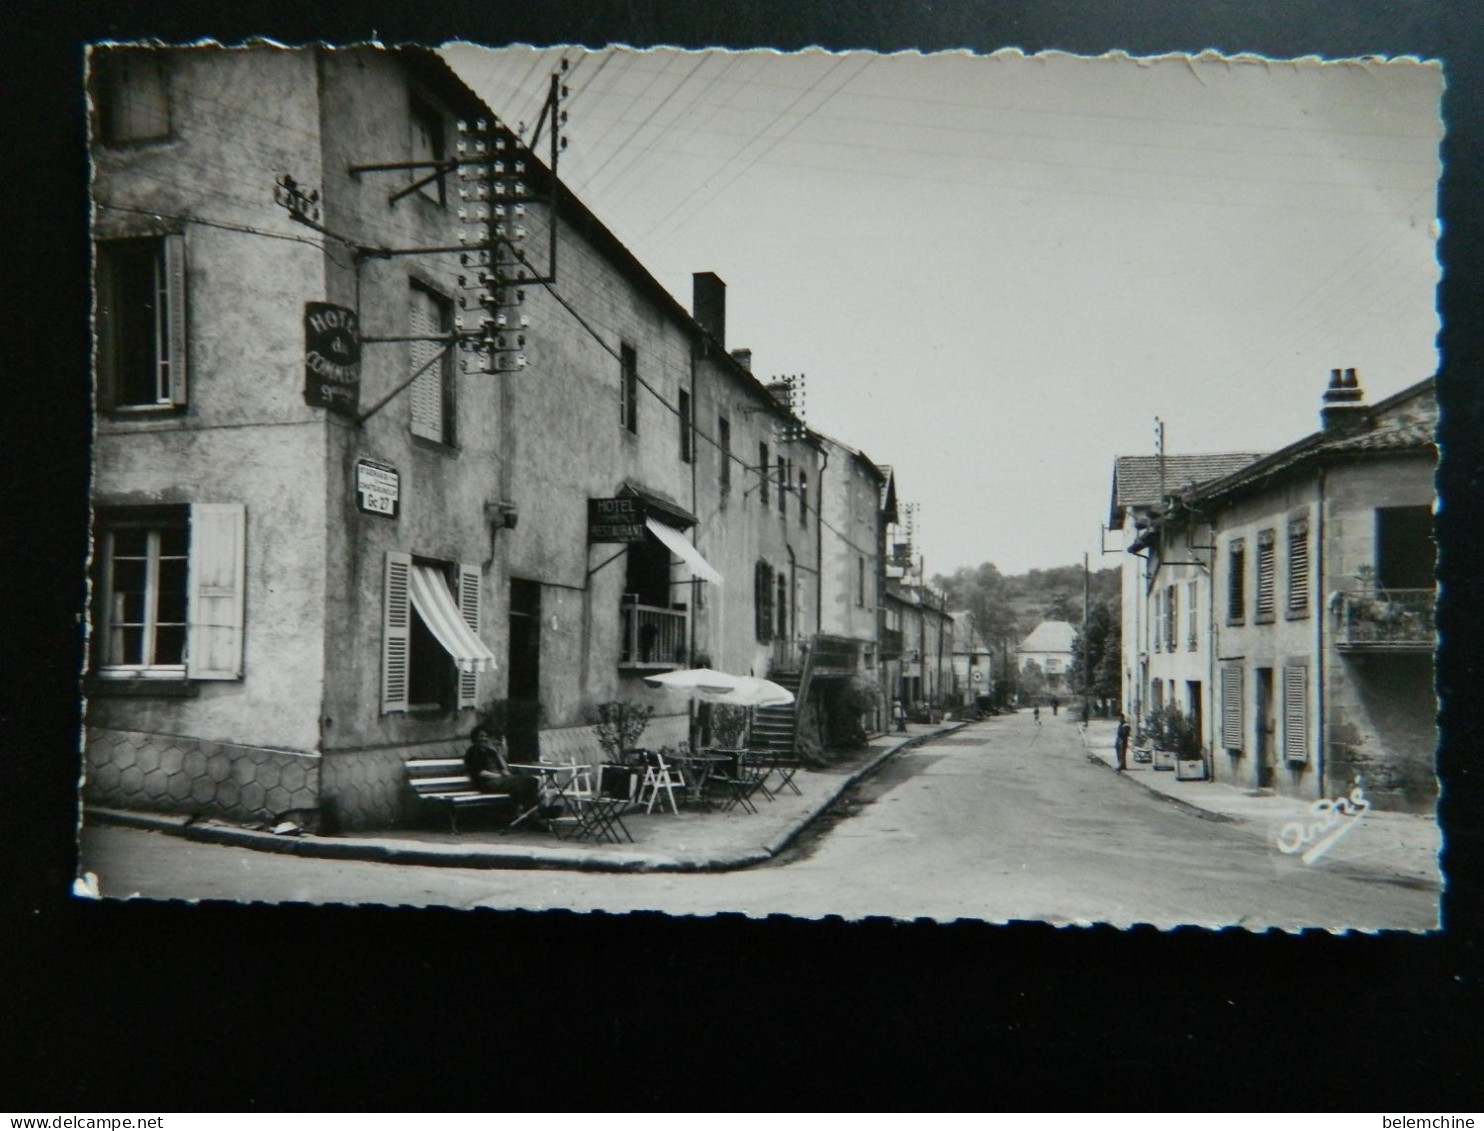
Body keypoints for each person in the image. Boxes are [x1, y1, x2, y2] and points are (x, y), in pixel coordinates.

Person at [464, 724, 540, 820]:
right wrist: (499, 776)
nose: (484, 739)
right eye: (481, 736)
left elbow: (502, 768)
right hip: (487, 783)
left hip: (500, 781)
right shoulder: (473, 752)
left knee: (527, 785)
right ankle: (532, 815)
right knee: (530, 782)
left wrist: (499, 754)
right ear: (475, 738)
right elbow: (479, 772)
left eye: (486, 736)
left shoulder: (491, 751)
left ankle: (530, 815)